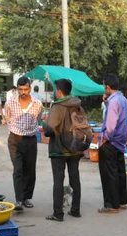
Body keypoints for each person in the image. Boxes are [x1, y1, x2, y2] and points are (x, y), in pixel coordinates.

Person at [43, 79, 84, 221]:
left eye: (55, 89)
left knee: (58, 180)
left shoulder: (58, 106)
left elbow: (49, 129)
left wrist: (44, 124)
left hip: (59, 149)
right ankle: (75, 210)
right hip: (75, 147)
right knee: (75, 178)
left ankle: (58, 213)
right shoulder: (77, 104)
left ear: (59, 91)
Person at [4, 76, 43, 211]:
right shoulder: (10, 103)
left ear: (30, 89)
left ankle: (27, 198)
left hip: (31, 139)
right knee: (18, 169)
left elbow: (38, 119)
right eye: (20, 89)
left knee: (30, 170)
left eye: (26, 89)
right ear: (17, 89)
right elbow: (8, 118)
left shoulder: (38, 104)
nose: (23, 92)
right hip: (15, 139)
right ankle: (19, 200)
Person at [98, 74, 127, 214]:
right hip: (120, 141)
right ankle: (122, 201)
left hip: (110, 141)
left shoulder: (113, 102)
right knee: (120, 172)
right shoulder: (123, 100)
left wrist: (104, 138)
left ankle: (111, 205)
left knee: (109, 174)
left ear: (107, 87)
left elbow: (110, 125)